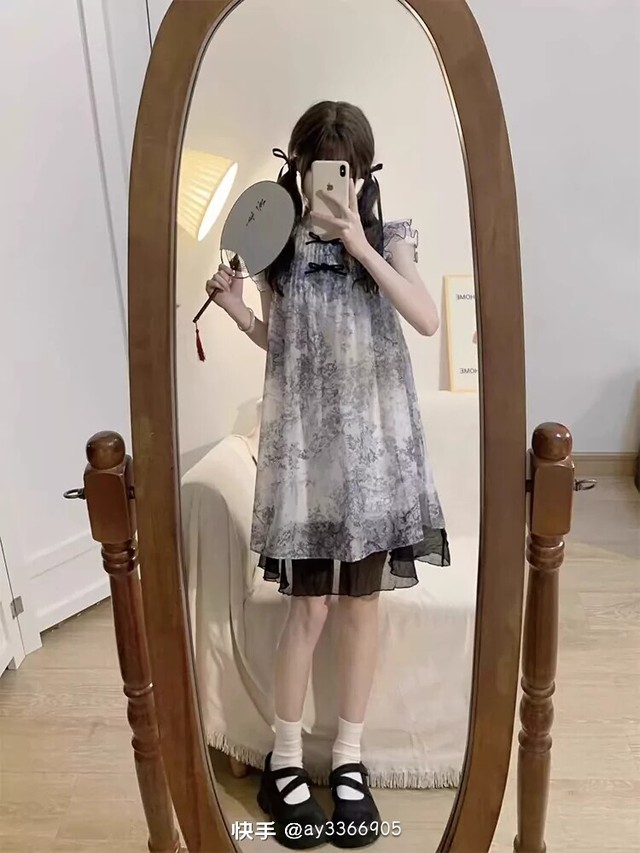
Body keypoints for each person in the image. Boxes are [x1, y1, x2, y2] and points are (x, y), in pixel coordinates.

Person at [206, 101, 449, 849]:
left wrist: (358, 243)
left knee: (360, 609)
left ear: (363, 173)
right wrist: (236, 309)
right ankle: (284, 763)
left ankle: (348, 761)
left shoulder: (389, 238)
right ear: (299, 169)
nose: (332, 180)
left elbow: (427, 318)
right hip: (308, 464)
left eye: (346, 168)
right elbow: (283, 347)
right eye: (319, 167)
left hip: (374, 466)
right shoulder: (276, 249)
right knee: (309, 611)